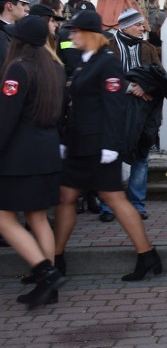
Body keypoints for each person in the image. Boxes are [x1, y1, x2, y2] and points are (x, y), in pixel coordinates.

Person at [53, 9, 163, 281]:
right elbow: (77, 106)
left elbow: (114, 108)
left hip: (101, 146)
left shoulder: (107, 63)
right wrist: (66, 142)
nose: (72, 36)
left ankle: (146, 254)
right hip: (79, 145)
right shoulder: (83, 62)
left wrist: (111, 146)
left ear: (90, 34)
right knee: (66, 197)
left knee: (115, 199)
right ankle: (55, 259)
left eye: (76, 32)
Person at [0, 16, 66, 308]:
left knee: (3, 218)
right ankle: (48, 285)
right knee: (38, 218)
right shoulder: (54, 67)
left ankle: (45, 272)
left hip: (20, 159)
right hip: (47, 153)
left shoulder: (18, 69)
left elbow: (6, 118)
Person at [98, 8, 162, 222]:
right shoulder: (107, 48)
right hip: (115, 109)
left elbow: (160, 75)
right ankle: (108, 206)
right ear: (124, 26)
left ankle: (137, 203)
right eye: (138, 24)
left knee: (141, 156)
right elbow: (102, 77)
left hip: (143, 110)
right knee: (113, 155)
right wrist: (128, 87)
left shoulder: (149, 49)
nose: (143, 28)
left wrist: (144, 87)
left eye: (142, 24)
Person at [0, 0, 30, 66]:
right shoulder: (2, 36)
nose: (27, 9)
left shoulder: (15, 31)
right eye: (23, 4)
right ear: (9, 6)